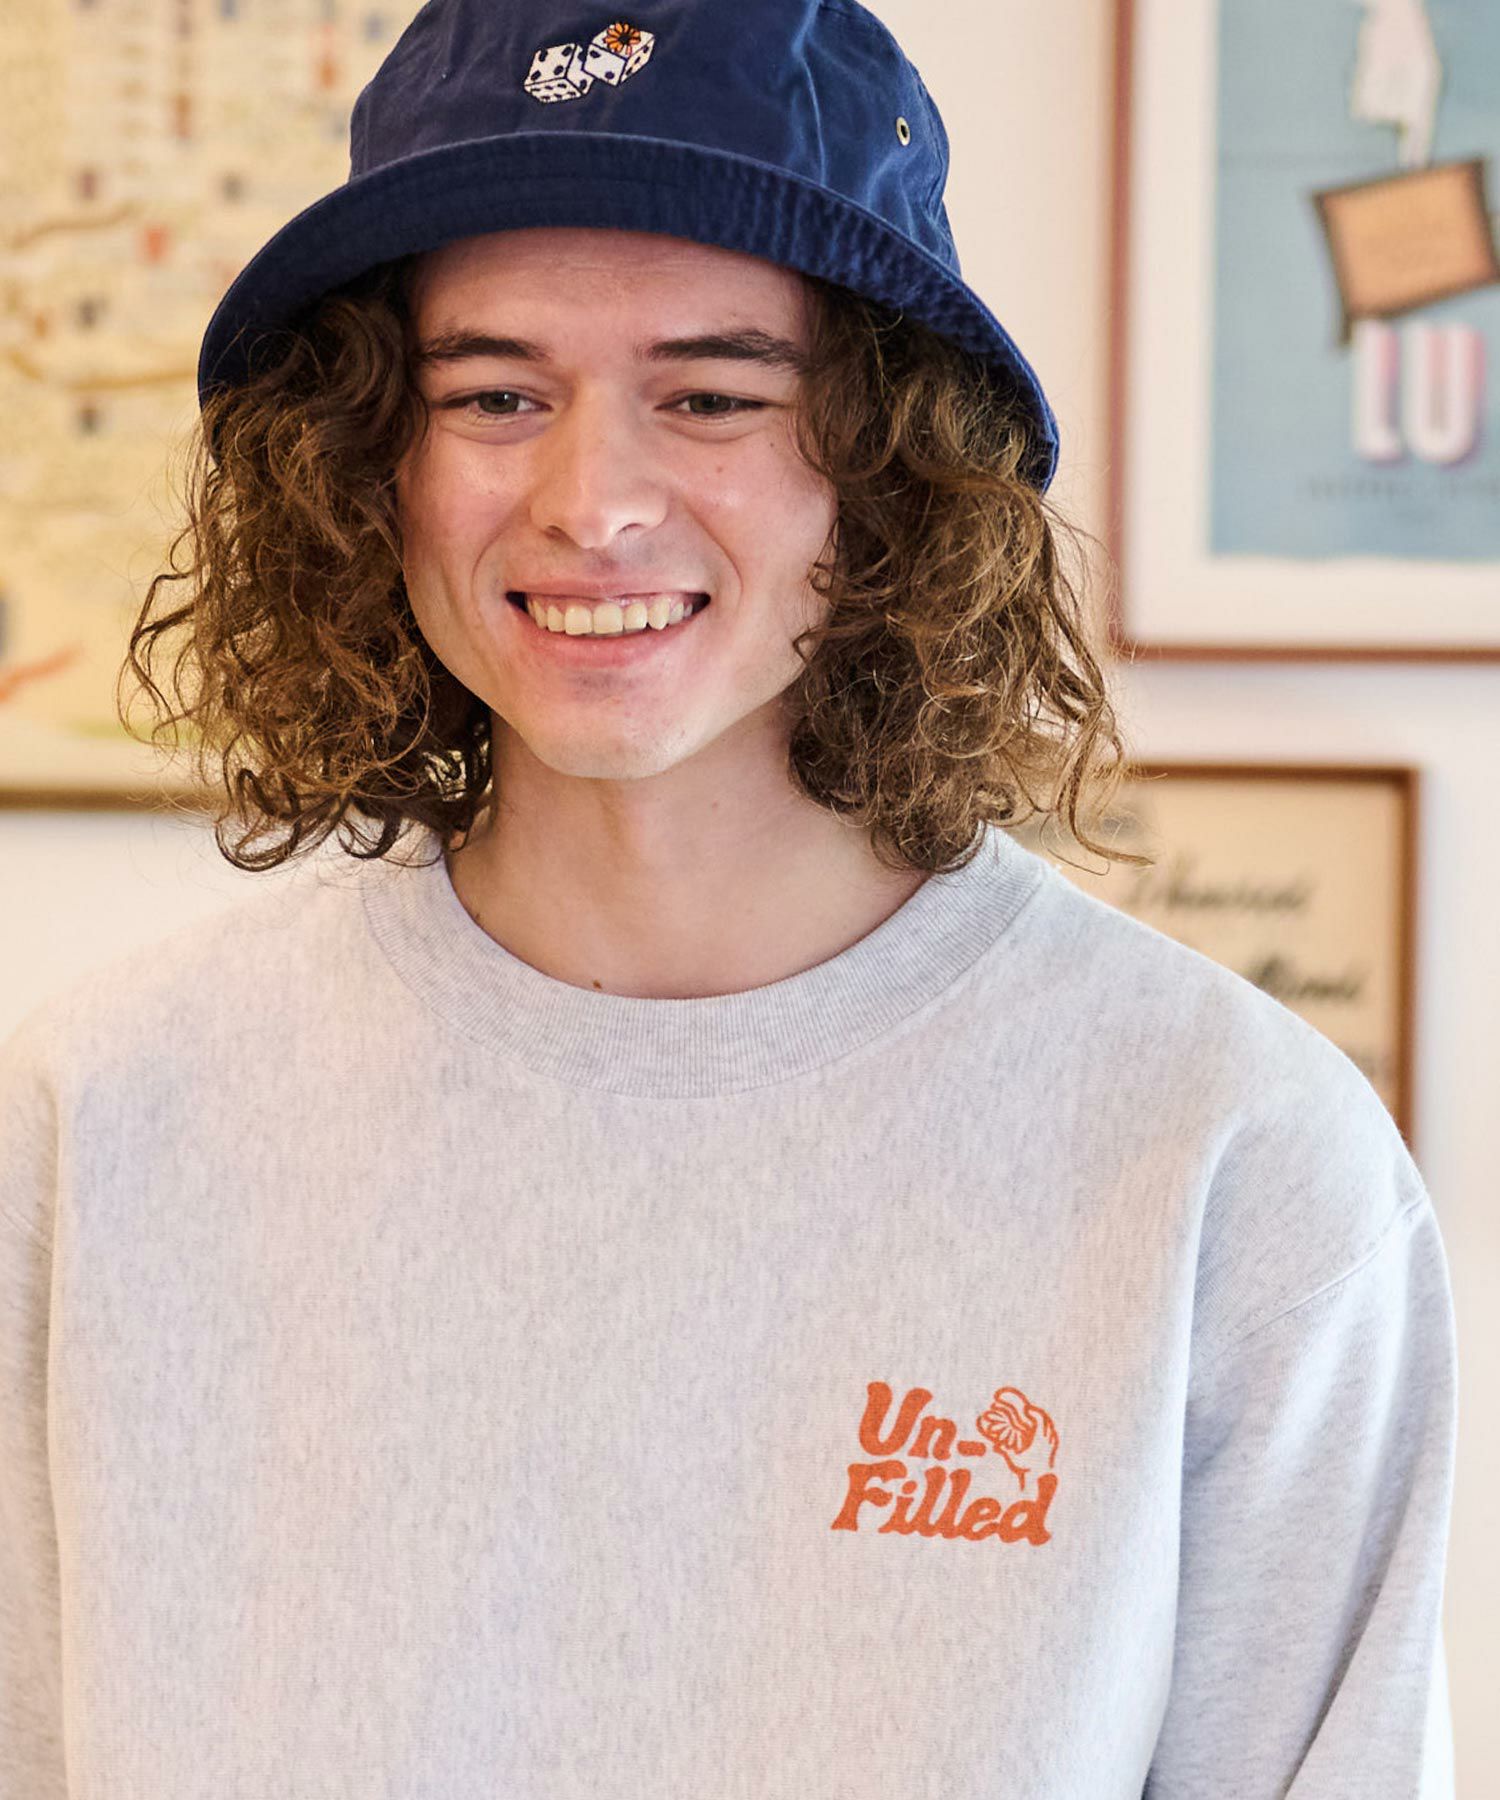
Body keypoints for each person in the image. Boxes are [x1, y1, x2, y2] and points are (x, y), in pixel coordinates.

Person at [0, 1, 1458, 1795]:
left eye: (711, 395)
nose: (592, 502)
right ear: (367, 458)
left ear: (891, 462)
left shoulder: (1237, 1159)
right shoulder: (98, 1123)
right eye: (494, 395)